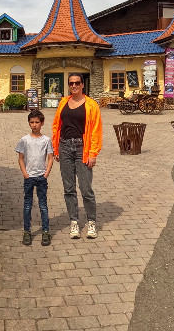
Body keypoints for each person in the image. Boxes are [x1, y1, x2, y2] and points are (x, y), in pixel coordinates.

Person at [52, 73, 102, 239]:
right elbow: (56, 126)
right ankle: (74, 221)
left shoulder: (91, 105)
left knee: (86, 188)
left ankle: (91, 222)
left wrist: (93, 154)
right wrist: (56, 148)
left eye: (77, 83)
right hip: (65, 146)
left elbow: (95, 131)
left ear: (82, 85)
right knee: (69, 188)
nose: (74, 86)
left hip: (82, 148)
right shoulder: (63, 103)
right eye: (71, 83)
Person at [15, 109, 54, 246]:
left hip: (41, 177)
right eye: (31, 122)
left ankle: (45, 232)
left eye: (37, 122)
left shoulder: (46, 140)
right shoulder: (24, 140)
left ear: (42, 123)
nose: (34, 125)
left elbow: (50, 157)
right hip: (29, 177)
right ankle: (27, 231)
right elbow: (21, 158)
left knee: (43, 205)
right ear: (29, 123)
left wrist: (47, 172)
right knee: (27, 205)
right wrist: (25, 173)